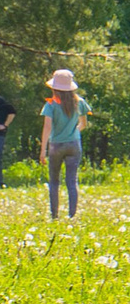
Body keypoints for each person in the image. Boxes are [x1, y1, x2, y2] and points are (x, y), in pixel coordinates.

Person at [41, 68, 89, 219]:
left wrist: (43, 150)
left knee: (54, 181)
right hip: (74, 144)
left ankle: (54, 215)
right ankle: (72, 215)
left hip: (56, 145)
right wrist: (74, 133)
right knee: (71, 181)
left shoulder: (51, 104)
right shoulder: (79, 102)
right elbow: (84, 124)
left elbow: (47, 127)